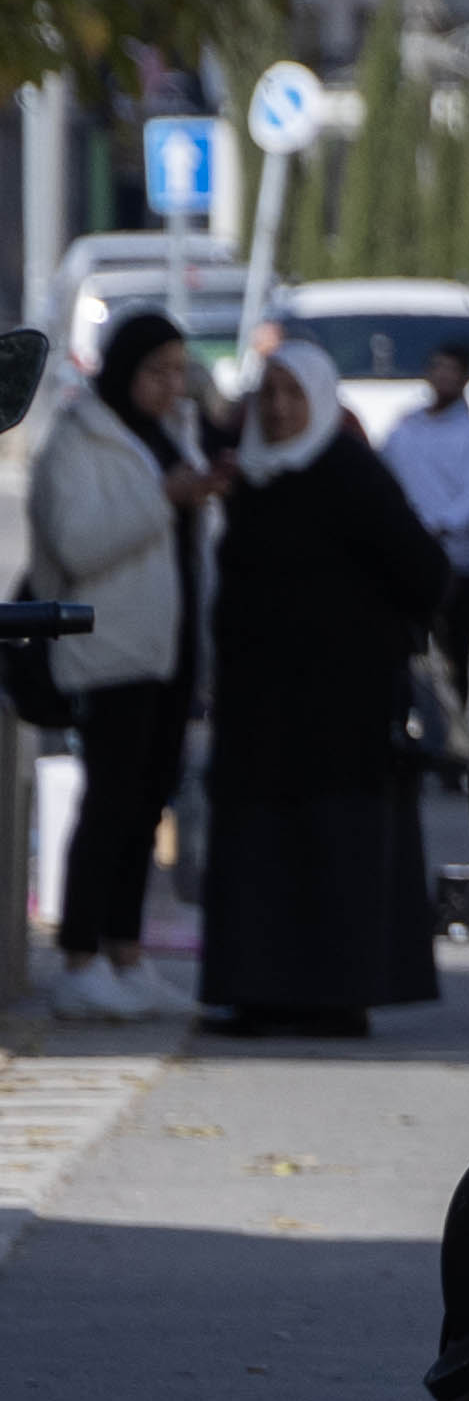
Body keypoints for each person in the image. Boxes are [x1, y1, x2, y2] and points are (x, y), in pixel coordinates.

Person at [194, 341, 446, 1034]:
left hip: (341, 710)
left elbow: (424, 572)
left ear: (321, 401)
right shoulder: (252, 477)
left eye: (292, 395)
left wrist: (359, 629)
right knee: (261, 847)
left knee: (333, 845)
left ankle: (336, 999)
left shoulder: (349, 472)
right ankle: (259, 994)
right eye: (268, 393)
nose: (278, 409)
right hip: (259, 711)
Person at [29, 314, 220, 1020]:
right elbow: (78, 544)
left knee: (146, 807)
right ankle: (78, 958)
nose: (172, 386)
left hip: (167, 651)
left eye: (178, 371)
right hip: (106, 650)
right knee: (108, 807)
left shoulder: (169, 435)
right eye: (156, 371)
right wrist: (164, 497)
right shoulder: (79, 440)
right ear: (123, 370)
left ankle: (125, 954)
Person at [382, 338, 469, 744]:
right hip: (409, 561)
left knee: (454, 656)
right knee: (404, 653)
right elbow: (387, 483)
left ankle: (452, 739)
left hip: (460, 564)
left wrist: (434, 527)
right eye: (438, 368)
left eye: (453, 370)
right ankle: (405, 735)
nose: (443, 377)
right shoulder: (404, 430)